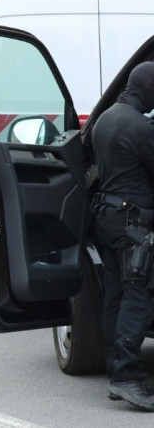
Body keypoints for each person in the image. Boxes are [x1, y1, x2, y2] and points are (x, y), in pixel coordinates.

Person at [91, 61, 154, 411]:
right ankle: (128, 376)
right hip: (134, 224)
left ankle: (113, 366)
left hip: (108, 217)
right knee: (138, 294)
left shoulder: (106, 118)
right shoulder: (141, 127)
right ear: (147, 89)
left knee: (115, 293)